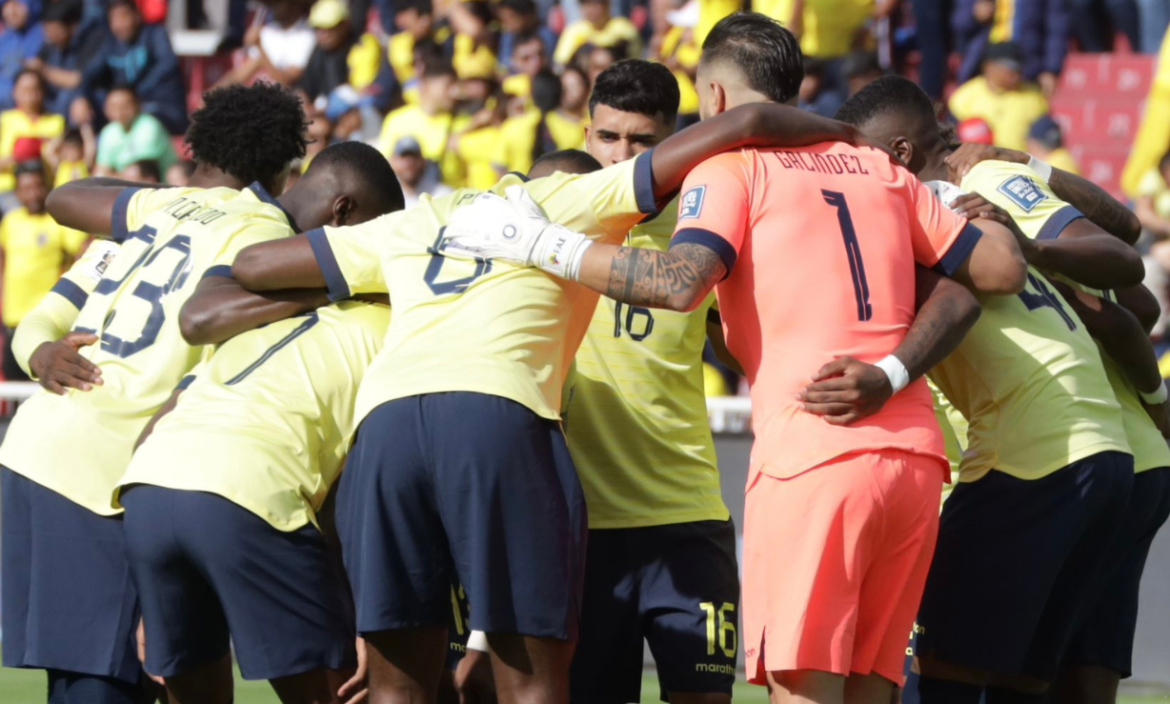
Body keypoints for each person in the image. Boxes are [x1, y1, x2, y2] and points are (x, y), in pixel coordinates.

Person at [229, 84, 891, 704]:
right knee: (537, 686)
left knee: (399, 686)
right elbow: (745, 121)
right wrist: (849, 136)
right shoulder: (571, 199)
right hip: (497, 414)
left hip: (386, 430)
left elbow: (253, 265)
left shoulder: (422, 216)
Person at [437, 13, 1029, 704]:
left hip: (815, 449)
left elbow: (679, 282)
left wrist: (540, 244)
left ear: (714, 101)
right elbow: (996, 270)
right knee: (871, 691)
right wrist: (898, 361)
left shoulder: (728, 165)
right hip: (915, 458)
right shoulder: (877, 167)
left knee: (803, 689)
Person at [837, 75, 1147, 704]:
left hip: (1031, 455)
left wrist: (887, 373)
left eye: (858, 158)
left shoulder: (947, 197)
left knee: (939, 667)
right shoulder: (956, 202)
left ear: (896, 154)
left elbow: (1124, 264)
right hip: (1101, 451)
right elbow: (1134, 302)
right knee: (1022, 680)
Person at [0, 82, 312, 704]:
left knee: (92, 680)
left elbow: (42, 316)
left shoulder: (147, 216)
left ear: (198, 151)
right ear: (283, 170)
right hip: (104, 470)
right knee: (102, 685)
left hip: (33, 450)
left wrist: (37, 353)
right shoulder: (268, 236)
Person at [114, 140, 402, 704]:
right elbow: (360, 485)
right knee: (333, 691)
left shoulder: (257, 309)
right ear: (347, 218)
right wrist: (370, 614)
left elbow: (168, 406)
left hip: (150, 486)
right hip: (249, 487)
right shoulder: (395, 321)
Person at [943, 137, 1169, 704]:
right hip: (1130, 458)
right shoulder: (1019, 207)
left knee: (977, 666)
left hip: (1059, 455)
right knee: (1078, 664)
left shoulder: (974, 195)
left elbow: (1124, 302)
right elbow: (1138, 297)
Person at [0, 160, 87, 380]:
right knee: (14, 387)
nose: (33, 194)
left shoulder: (57, 221)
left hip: (46, 322)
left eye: (38, 186)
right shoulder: (10, 222)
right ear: (17, 192)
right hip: (13, 321)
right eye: (26, 189)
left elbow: (82, 249)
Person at [82, 0, 188, 134]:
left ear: (137, 16)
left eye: (124, 16)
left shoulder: (155, 34)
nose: (120, 24)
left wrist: (131, 93)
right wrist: (81, 97)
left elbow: (167, 65)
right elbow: (89, 73)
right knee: (88, 109)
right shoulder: (110, 43)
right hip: (126, 110)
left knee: (136, 121)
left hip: (161, 110)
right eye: (114, 18)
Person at [948, 41, 1049, 151]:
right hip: (974, 165)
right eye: (1011, 68)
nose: (1016, 75)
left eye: (1019, 69)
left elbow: (1044, 143)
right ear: (989, 66)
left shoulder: (1033, 97)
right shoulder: (965, 96)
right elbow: (950, 139)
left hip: (1019, 165)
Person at [380, 58, 462, 187]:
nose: (454, 92)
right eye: (448, 85)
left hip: (453, 198)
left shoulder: (462, 122)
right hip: (413, 199)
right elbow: (385, 164)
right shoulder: (397, 119)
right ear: (425, 85)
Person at [25, 0, 102, 117]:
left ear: (72, 27)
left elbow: (75, 80)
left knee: (71, 96)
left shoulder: (89, 42)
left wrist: (43, 70)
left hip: (88, 103)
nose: (49, 34)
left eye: (55, 29)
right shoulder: (48, 46)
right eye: (47, 29)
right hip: (50, 105)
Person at [0, 69, 64, 196]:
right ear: (15, 91)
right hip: (8, 189)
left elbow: (65, 161)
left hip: (46, 188)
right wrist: (14, 158)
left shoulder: (57, 122)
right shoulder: (4, 120)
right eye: (25, 89)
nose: (30, 94)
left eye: (35, 89)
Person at [94, 85, 177, 176]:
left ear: (138, 104)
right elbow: (101, 172)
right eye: (113, 106)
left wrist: (111, 176)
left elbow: (142, 173)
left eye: (125, 106)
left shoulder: (149, 126)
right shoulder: (108, 132)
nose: (119, 111)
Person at [553, 0, 642, 67]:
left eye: (594, 4)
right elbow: (561, 64)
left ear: (607, 4)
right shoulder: (574, 31)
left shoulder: (624, 30)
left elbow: (637, 61)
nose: (590, 10)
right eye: (586, 4)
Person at [0, 0, 44, 112]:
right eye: (6, 6)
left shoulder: (43, 34)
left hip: (31, 106)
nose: (12, 11)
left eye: (17, 4)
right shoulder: (4, 40)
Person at [390, 136, 453, 208]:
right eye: (404, 157)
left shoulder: (443, 195)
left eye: (414, 157)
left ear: (423, 161)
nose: (409, 163)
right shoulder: (388, 201)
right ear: (393, 161)